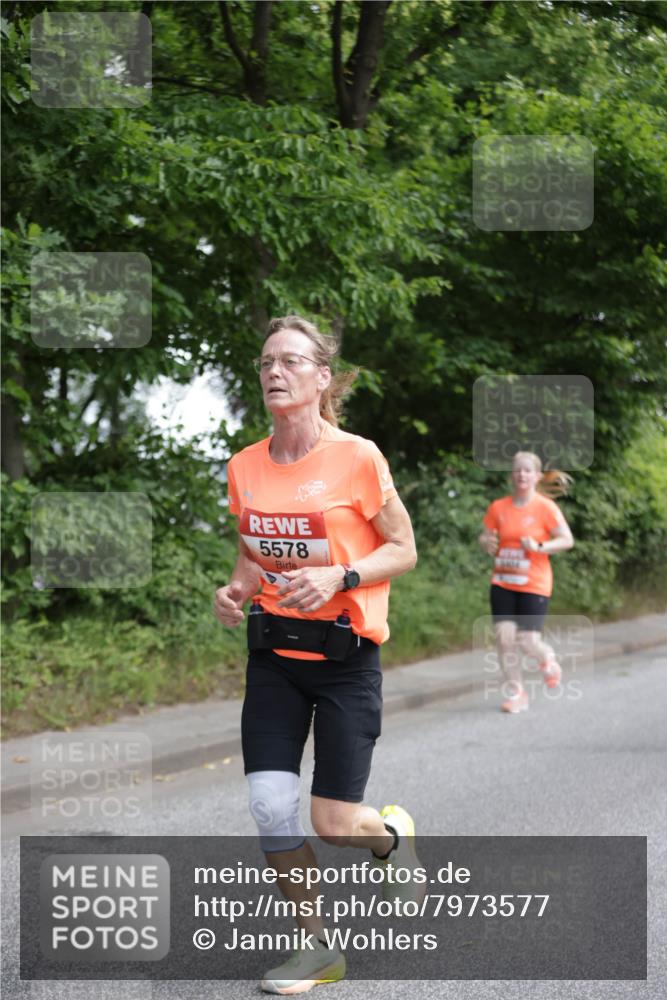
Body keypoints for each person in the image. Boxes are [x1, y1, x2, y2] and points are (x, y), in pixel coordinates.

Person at [214, 315, 421, 995]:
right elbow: (254, 543)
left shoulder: (356, 457)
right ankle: (316, 949)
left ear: (321, 378)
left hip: (344, 658)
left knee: (333, 825)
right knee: (270, 804)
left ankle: (388, 839)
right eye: (266, 361)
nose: (274, 371)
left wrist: (341, 576)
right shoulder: (243, 465)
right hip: (274, 655)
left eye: (291, 361)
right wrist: (238, 588)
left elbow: (402, 548)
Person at [478, 451, 575, 713]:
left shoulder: (545, 508)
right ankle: (517, 692)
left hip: (534, 583)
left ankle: (547, 659)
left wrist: (539, 546)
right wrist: (487, 542)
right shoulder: (499, 507)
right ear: (512, 475)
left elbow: (567, 540)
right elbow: (485, 537)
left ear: (537, 476)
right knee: (504, 639)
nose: (522, 474)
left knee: (527, 640)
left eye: (527, 470)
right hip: (503, 581)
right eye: (517, 470)